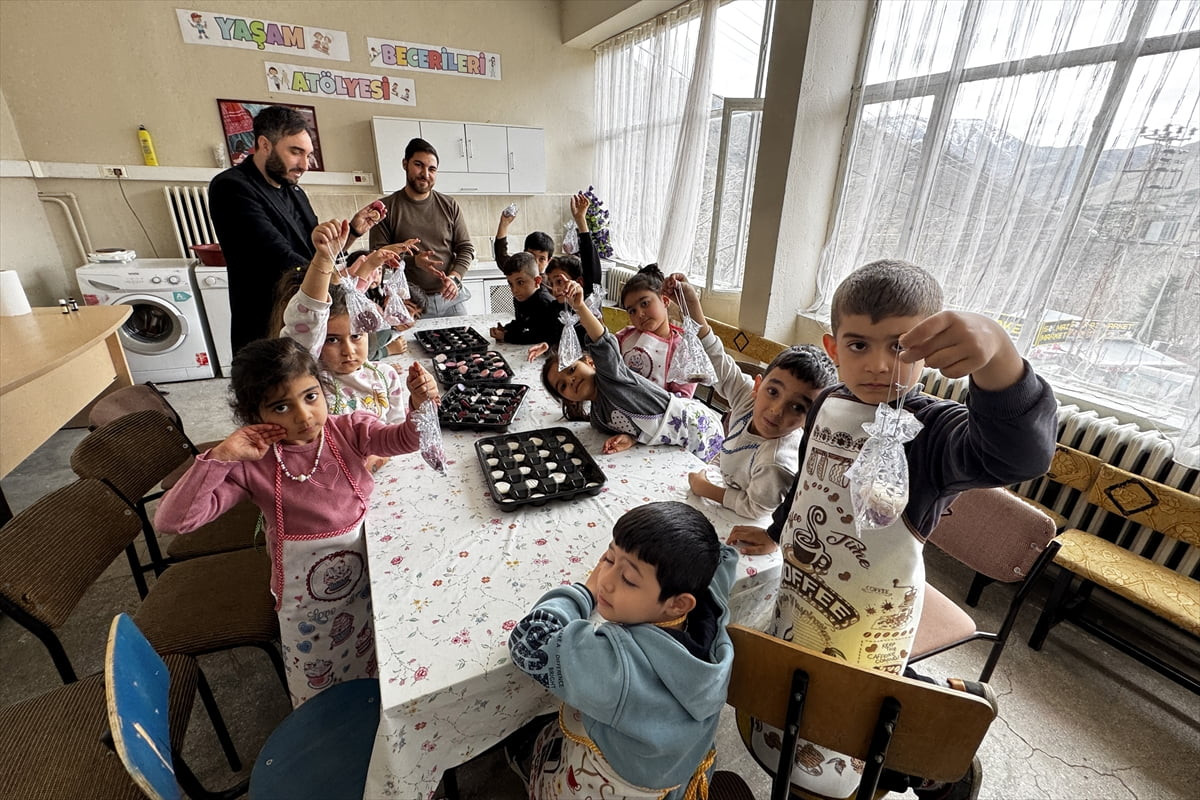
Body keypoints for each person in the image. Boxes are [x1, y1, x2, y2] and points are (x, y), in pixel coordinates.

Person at [726, 259, 1057, 800]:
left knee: (850, 731)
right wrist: (778, 529)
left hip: (870, 616)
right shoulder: (827, 402)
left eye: (900, 347)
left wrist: (999, 355)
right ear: (833, 348)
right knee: (795, 694)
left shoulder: (933, 430)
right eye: (859, 345)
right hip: (804, 590)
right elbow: (808, 476)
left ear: (928, 349)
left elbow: (1017, 455)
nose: (880, 365)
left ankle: (927, 763)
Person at [154, 337, 439, 708]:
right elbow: (174, 520)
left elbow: (403, 439)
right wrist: (220, 457)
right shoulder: (253, 465)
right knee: (320, 683)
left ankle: (369, 708)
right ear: (254, 415)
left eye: (311, 396)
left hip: (367, 580)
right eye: (281, 407)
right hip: (307, 607)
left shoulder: (349, 429)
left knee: (372, 657)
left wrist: (420, 405)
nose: (304, 416)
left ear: (323, 388)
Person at [507, 502, 736, 800]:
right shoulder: (710, 607)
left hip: (609, 784)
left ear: (678, 603)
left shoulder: (618, 665)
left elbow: (529, 642)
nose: (606, 580)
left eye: (628, 579)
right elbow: (724, 556)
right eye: (609, 558)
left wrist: (585, 592)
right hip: (673, 770)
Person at [210, 105, 387, 355]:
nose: (305, 164)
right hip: (267, 324)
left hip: (305, 319)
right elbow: (280, 260)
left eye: (308, 155)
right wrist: (343, 278)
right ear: (264, 144)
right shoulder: (231, 187)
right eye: (295, 152)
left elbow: (318, 254)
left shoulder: (293, 190)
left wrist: (353, 233)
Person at [665, 273, 837, 522]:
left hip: (752, 521)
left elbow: (756, 510)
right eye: (773, 392)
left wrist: (706, 488)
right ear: (757, 386)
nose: (777, 410)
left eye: (798, 407)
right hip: (727, 494)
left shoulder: (777, 462)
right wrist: (691, 304)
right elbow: (717, 358)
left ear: (811, 418)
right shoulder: (749, 400)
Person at [276, 220, 420, 472]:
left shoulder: (385, 376)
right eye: (332, 339)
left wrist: (372, 265)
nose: (348, 350)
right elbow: (310, 319)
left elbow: (396, 430)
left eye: (356, 336)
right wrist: (323, 260)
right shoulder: (311, 380)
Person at [540, 279, 723, 461]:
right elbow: (636, 426)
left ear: (590, 362)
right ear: (567, 399)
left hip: (699, 425)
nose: (570, 380)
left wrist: (580, 307)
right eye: (562, 386)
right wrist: (632, 438)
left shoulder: (613, 378)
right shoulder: (598, 420)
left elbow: (602, 341)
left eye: (572, 369)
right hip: (671, 444)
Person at [370, 137, 475, 317]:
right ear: (405, 164)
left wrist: (455, 277)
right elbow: (376, 256)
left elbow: (466, 248)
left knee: (466, 336)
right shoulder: (385, 208)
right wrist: (414, 261)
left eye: (432, 169)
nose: (425, 174)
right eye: (419, 165)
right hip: (411, 302)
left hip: (451, 299)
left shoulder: (449, 205)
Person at [616, 264, 696, 398]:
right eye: (632, 311)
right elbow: (606, 355)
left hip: (658, 410)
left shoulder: (682, 350)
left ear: (665, 301)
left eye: (644, 303)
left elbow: (683, 400)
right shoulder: (625, 337)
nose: (639, 314)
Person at [489, 252, 561, 345]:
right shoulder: (520, 298)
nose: (514, 290)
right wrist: (506, 329)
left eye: (520, 282)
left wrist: (506, 336)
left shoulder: (545, 303)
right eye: (511, 284)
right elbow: (521, 323)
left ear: (537, 281)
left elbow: (540, 336)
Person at [494, 207, 554, 273]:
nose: (536, 263)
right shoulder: (518, 271)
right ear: (524, 254)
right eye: (532, 256)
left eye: (542, 259)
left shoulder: (552, 278)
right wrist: (504, 224)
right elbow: (501, 256)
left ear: (548, 261)